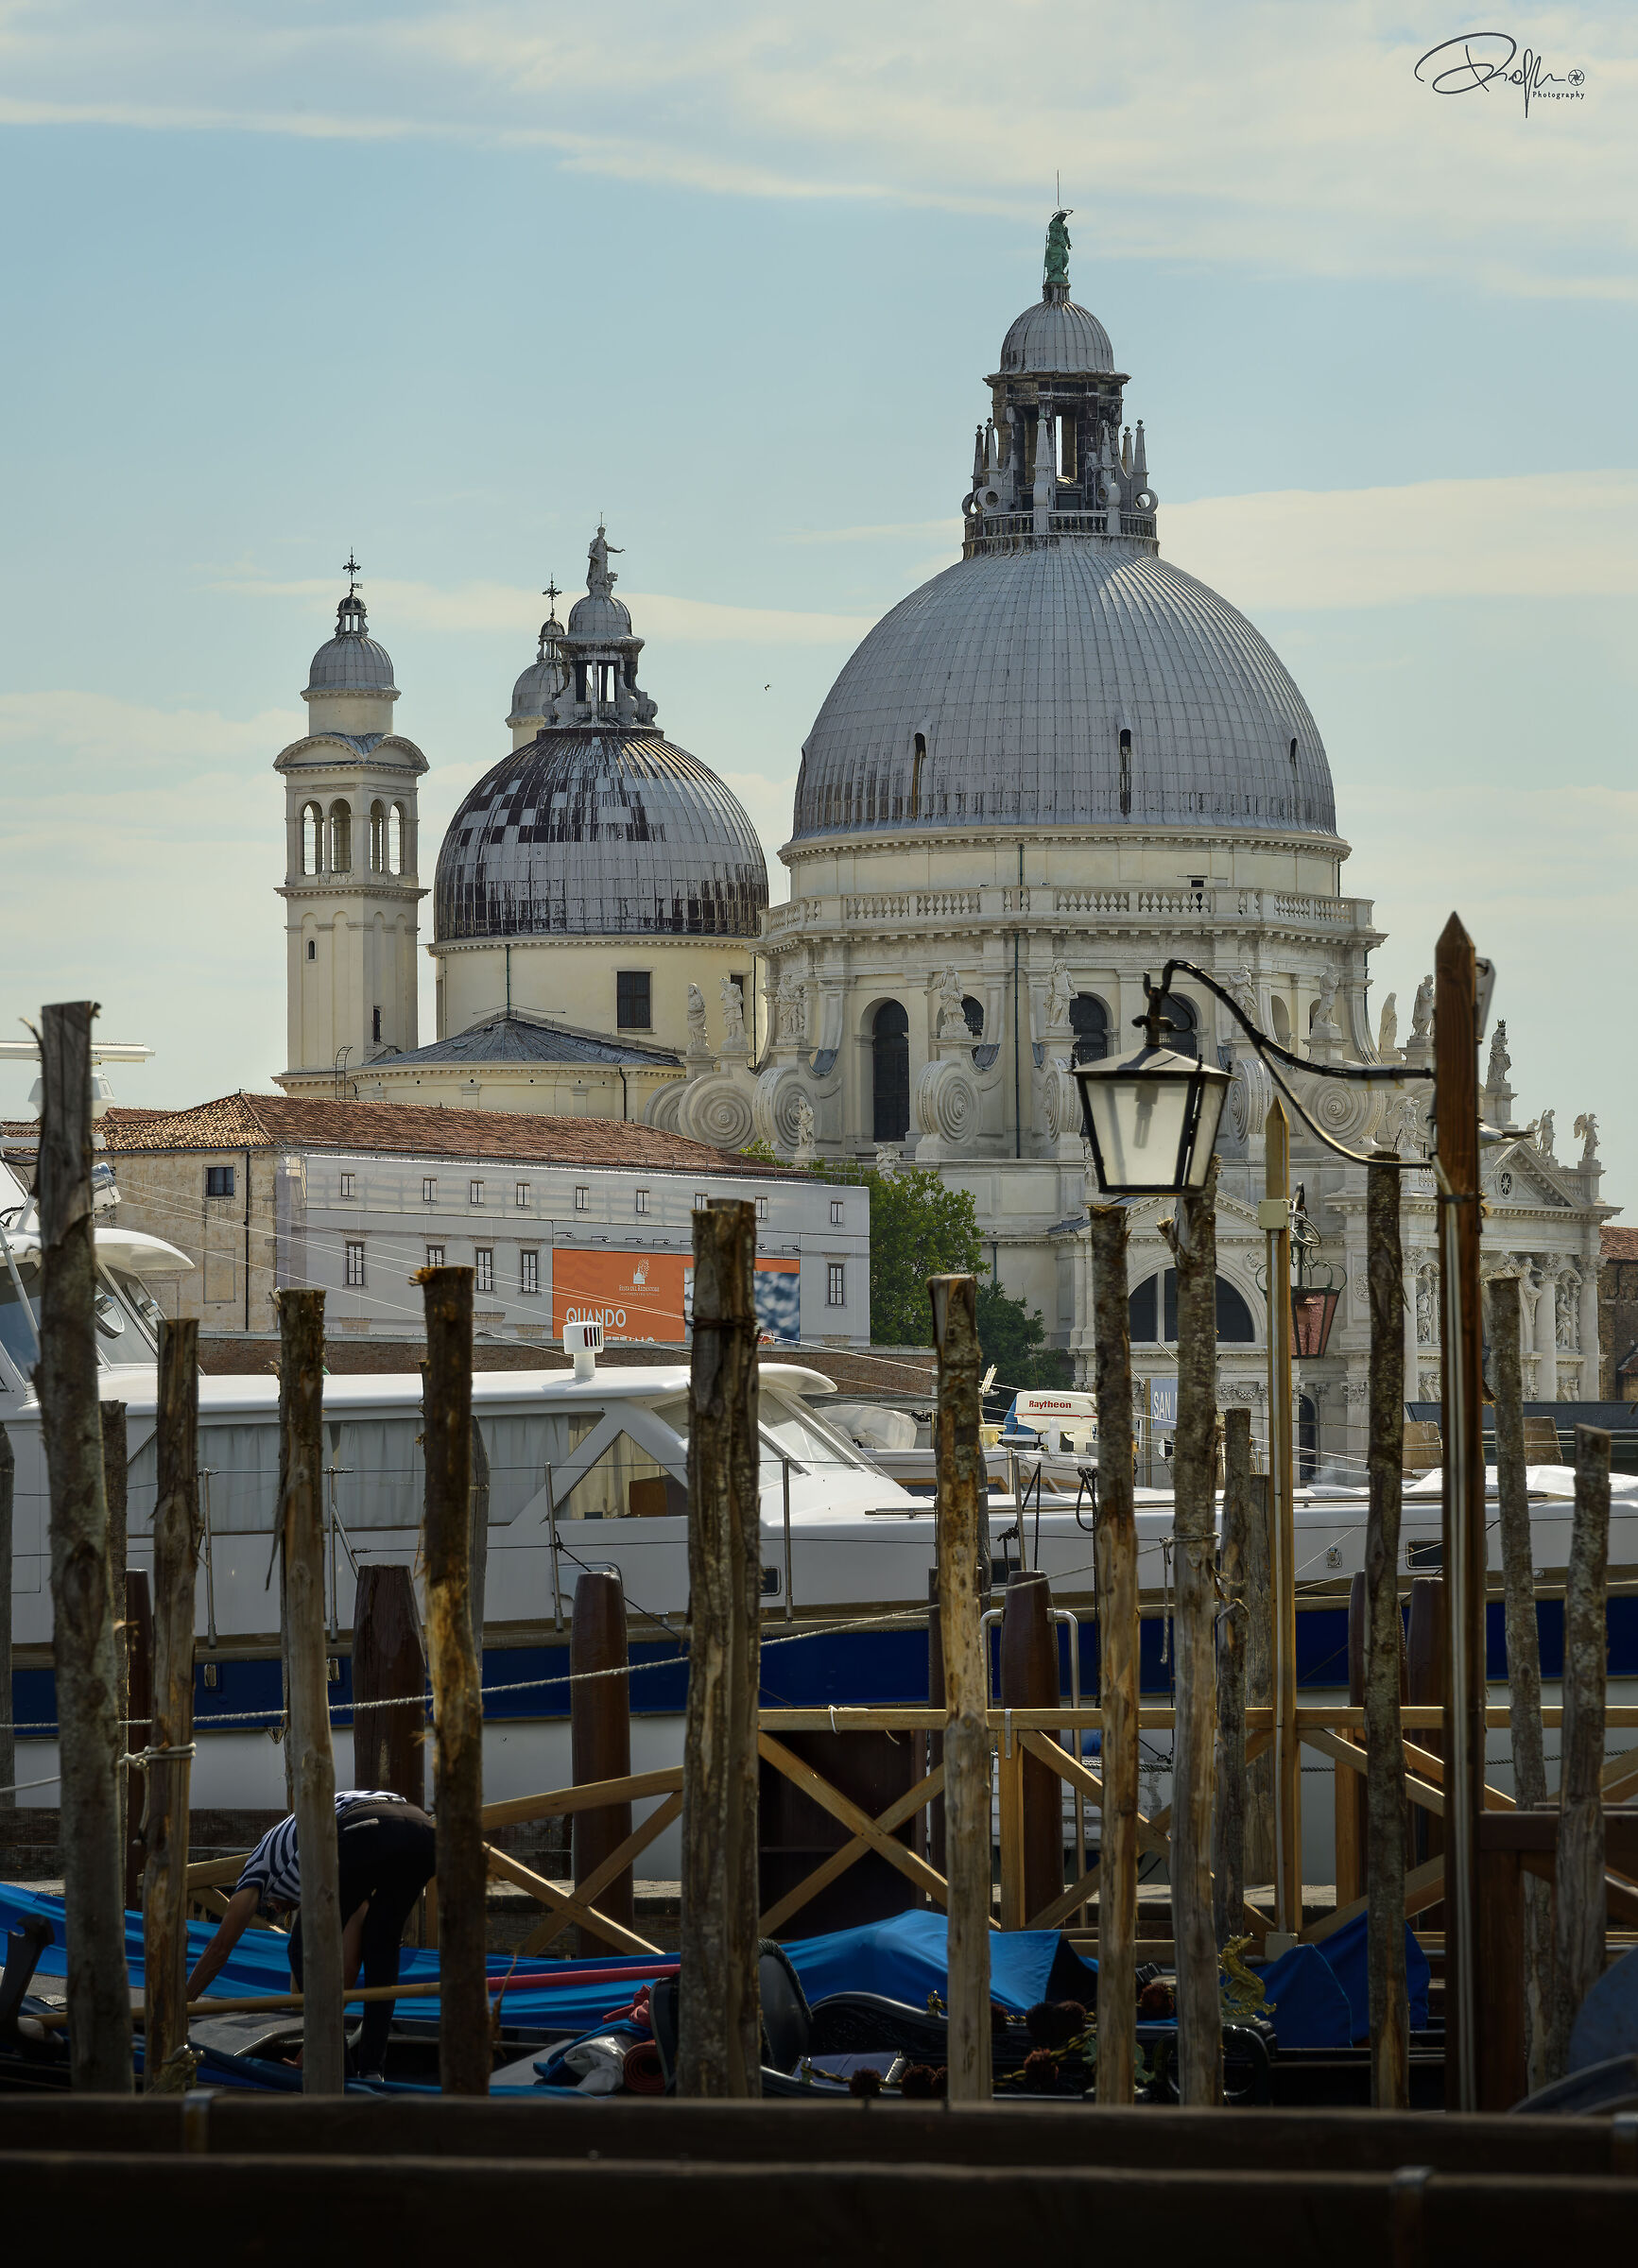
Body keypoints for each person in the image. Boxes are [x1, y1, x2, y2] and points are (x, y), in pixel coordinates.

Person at [186, 1788, 437, 2079]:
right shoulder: (312, 1862)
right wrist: (315, 2040)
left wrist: (183, 2005)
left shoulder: (257, 1869)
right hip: (421, 1830)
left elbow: (219, 1948)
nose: (279, 1910)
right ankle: (370, 2070)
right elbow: (350, 1962)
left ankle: (336, 2068)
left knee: (301, 1947)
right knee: (382, 1945)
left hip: (365, 1827)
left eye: (275, 1907)